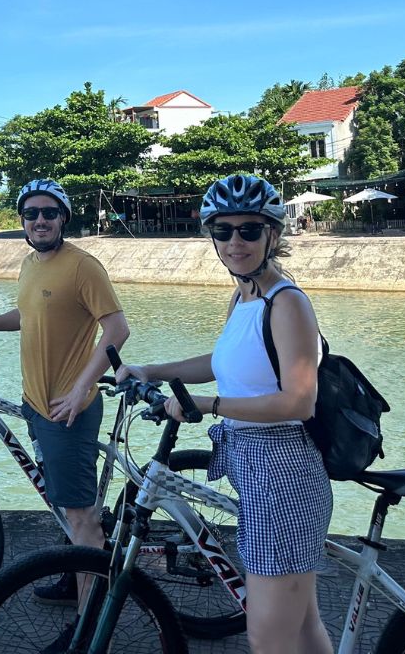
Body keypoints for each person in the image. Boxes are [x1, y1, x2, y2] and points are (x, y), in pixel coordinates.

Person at [116, 174, 333, 654]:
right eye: (223, 230)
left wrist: (205, 405)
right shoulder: (244, 297)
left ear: (273, 234)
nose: (236, 241)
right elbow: (221, 364)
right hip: (253, 465)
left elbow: (300, 402)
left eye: (250, 230)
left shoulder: (287, 302)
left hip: (285, 473)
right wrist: (149, 369)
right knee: (301, 629)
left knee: (267, 638)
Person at [0, 178, 130, 626]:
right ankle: (76, 579)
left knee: (82, 519)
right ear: (22, 220)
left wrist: (79, 390)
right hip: (36, 403)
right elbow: (28, 313)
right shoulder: (30, 264)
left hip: (66, 410)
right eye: (31, 213)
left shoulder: (83, 267)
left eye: (49, 213)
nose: (39, 221)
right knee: (64, 505)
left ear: (63, 218)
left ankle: (89, 625)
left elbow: (116, 330)